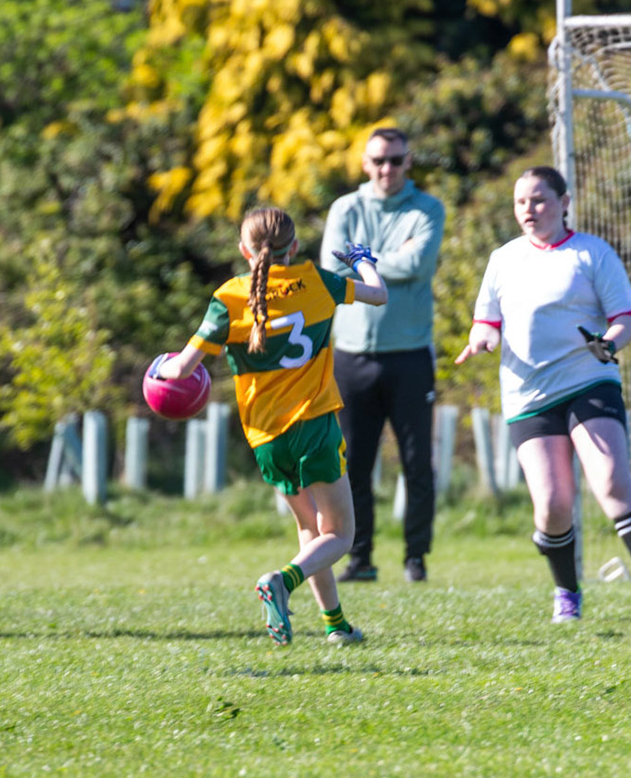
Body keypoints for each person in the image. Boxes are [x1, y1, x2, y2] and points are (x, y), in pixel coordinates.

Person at [457, 166, 631, 625]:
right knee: (554, 506)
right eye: (521, 202)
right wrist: (482, 339)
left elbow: (626, 318)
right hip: (527, 395)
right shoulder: (503, 259)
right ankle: (567, 592)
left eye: (539, 199)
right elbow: (486, 322)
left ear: (564, 202)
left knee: (612, 482)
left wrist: (609, 344)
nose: (529, 209)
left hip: (588, 382)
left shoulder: (592, 253)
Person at [154, 208, 389, 646]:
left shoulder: (229, 298)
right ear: (294, 247)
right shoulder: (318, 282)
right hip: (313, 425)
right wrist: (362, 260)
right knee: (340, 534)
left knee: (310, 530)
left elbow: (181, 369)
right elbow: (379, 295)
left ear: (244, 251)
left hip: (265, 438)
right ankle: (282, 580)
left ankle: (336, 625)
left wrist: (155, 374)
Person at [320, 126, 445, 583]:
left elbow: (418, 264)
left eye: (395, 160)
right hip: (352, 356)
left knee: (416, 463)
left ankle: (416, 557)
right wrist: (385, 259)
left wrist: (361, 260)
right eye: (378, 160)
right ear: (365, 164)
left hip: (409, 355)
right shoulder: (345, 208)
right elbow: (330, 269)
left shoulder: (427, 208)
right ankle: (359, 557)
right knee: (351, 463)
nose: (386, 169)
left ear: (408, 161)